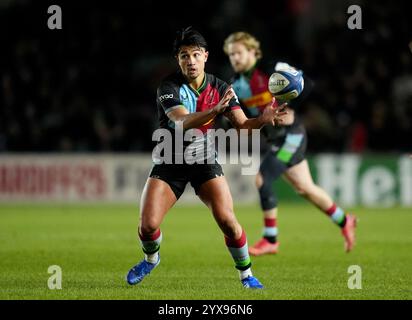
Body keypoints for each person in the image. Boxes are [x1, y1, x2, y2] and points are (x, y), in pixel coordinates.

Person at [126, 27, 287, 289]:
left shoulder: (221, 87)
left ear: (206, 57)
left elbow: (243, 126)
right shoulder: (168, 86)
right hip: (170, 162)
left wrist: (263, 120)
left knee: (229, 222)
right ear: (178, 60)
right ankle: (151, 259)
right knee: (147, 226)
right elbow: (180, 122)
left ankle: (246, 276)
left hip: (204, 162)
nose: (190, 61)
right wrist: (215, 109)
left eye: (195, 55)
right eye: (184, 56)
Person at [223, 31, 357, 256]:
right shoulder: (236, 84)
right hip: (276, 139)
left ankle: (270, 239)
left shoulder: (272, 69)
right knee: (305, 188)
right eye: (231, 54)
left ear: (253, 52)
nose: (234, 58)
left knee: (262, 178)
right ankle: (345, 220)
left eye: (239, 52)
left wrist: (290, 105)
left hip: (291, 137)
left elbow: (308, 84)